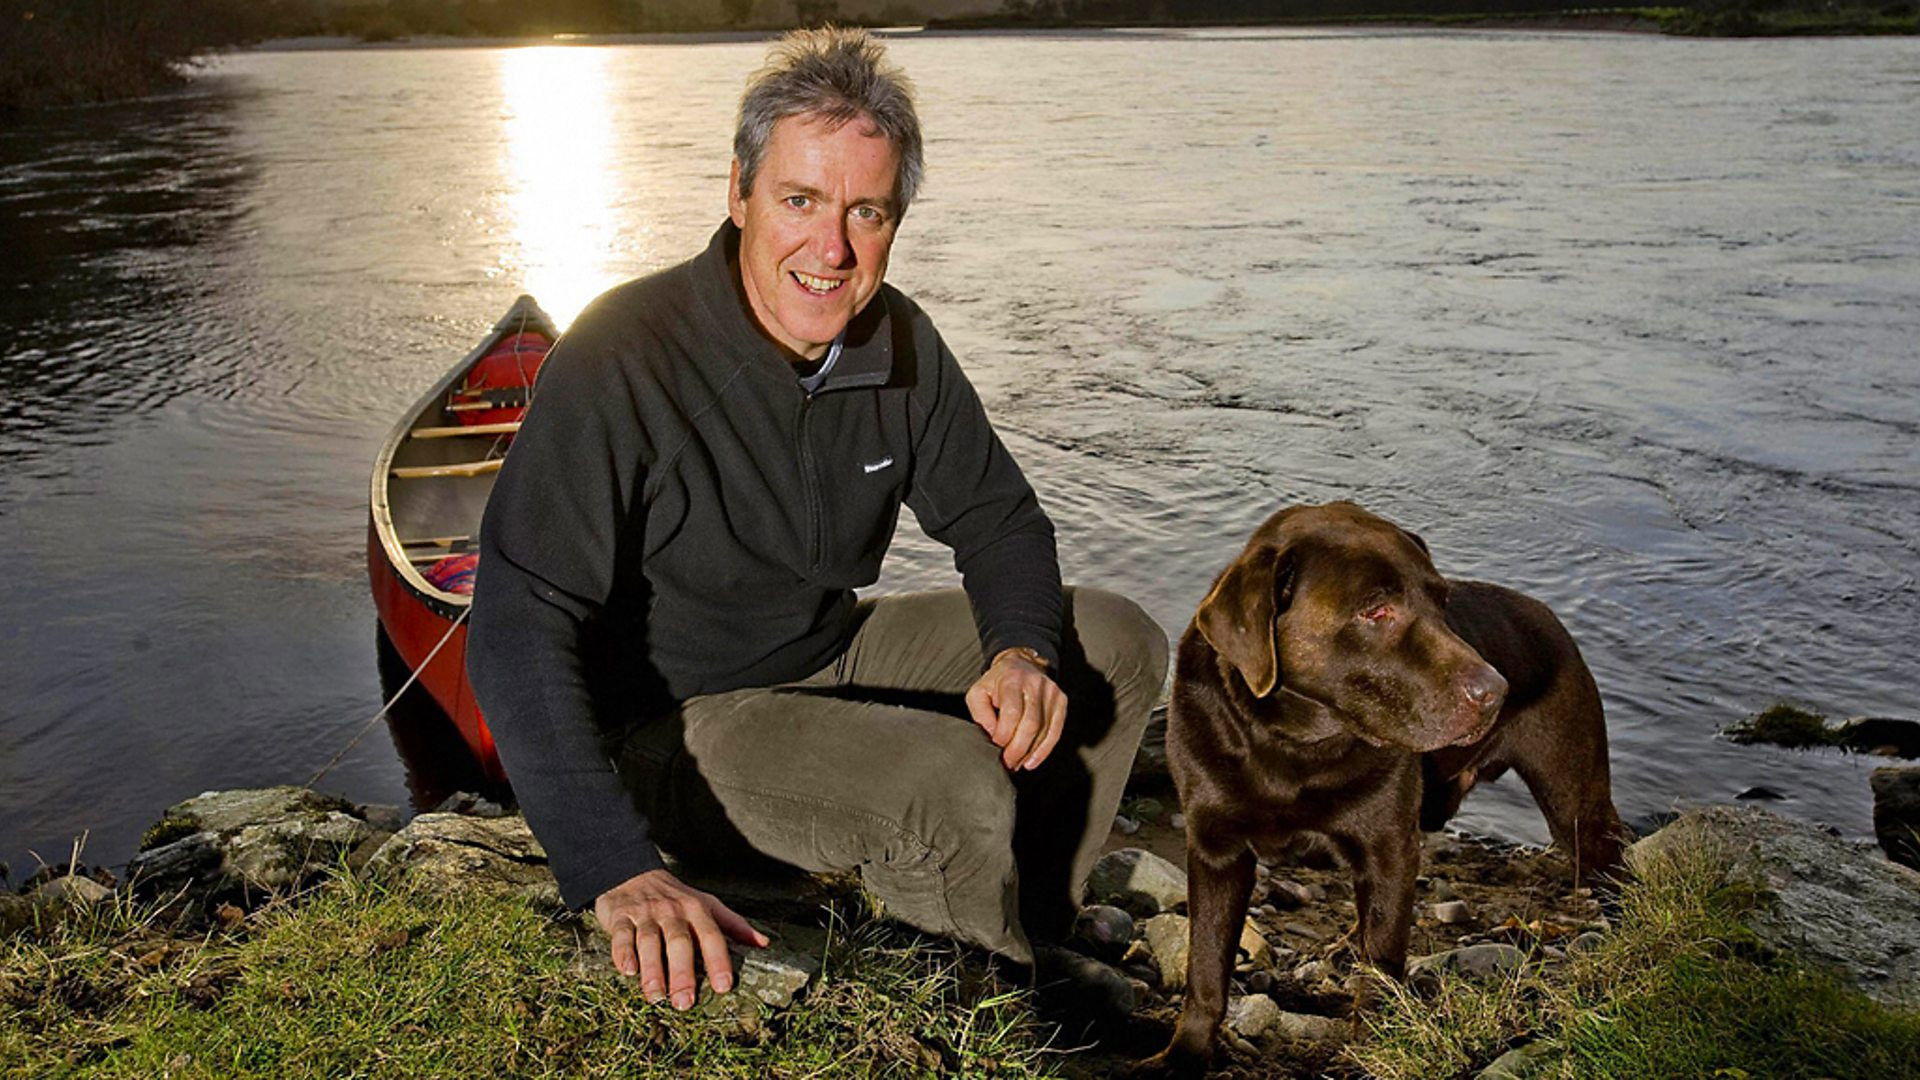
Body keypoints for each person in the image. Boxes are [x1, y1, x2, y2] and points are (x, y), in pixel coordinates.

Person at [467, 27, 1167, 1015]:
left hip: (824, 648)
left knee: (1117, 641)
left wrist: (1019, 653)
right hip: (672, 721)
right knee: (947, 781)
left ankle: (1033, 926)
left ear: (894, 220)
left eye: (864, 212)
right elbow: (512, 626)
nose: (831, 250)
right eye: (799, 200)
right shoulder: (621, 355)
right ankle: (999, 1020)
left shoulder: (899, 342)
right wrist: (612, 864)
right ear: (739, 193)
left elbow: (1000, 521)